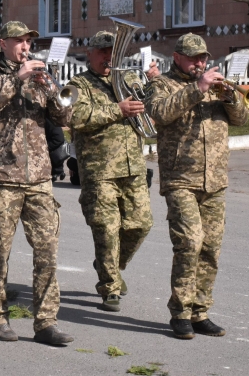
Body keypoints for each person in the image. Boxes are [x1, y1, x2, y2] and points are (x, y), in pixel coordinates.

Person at [0, 21, 73, 345]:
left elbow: (65, 119)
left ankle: (46, 322)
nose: (26, 47)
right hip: (2, 178)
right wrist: (17, 79)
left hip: (40, 178)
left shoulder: (38, 79)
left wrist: (52, 88)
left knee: (47, 250)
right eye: (19, 41)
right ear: (3, 43)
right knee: (0, 253)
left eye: (29, 42)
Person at [144, 33, 248, 340]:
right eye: (193, 58)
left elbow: (241, 119)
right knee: (189, 243)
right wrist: (196, 88)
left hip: (214, 179)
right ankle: (180, 312)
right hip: (180, 179)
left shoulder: (217, 84)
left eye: (202, 58)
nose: (199, 63)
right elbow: (160, 113)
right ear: (177, 57)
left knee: (211, 248)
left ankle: (200, 312)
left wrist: (230, 97)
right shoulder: (161, 84)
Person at [67, 31, 153, 313]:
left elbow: (150, 111)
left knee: (141, 225)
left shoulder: (129, 80)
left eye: (113, 52)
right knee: (106, 230)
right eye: (103, 52)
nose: (108, 57)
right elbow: (76, 118)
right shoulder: (78, 84)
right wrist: (118, 109)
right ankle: (109, 287)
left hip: (133, 167)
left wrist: (153, 85)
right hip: (99, 170)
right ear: (90, 53)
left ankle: (111, 266)